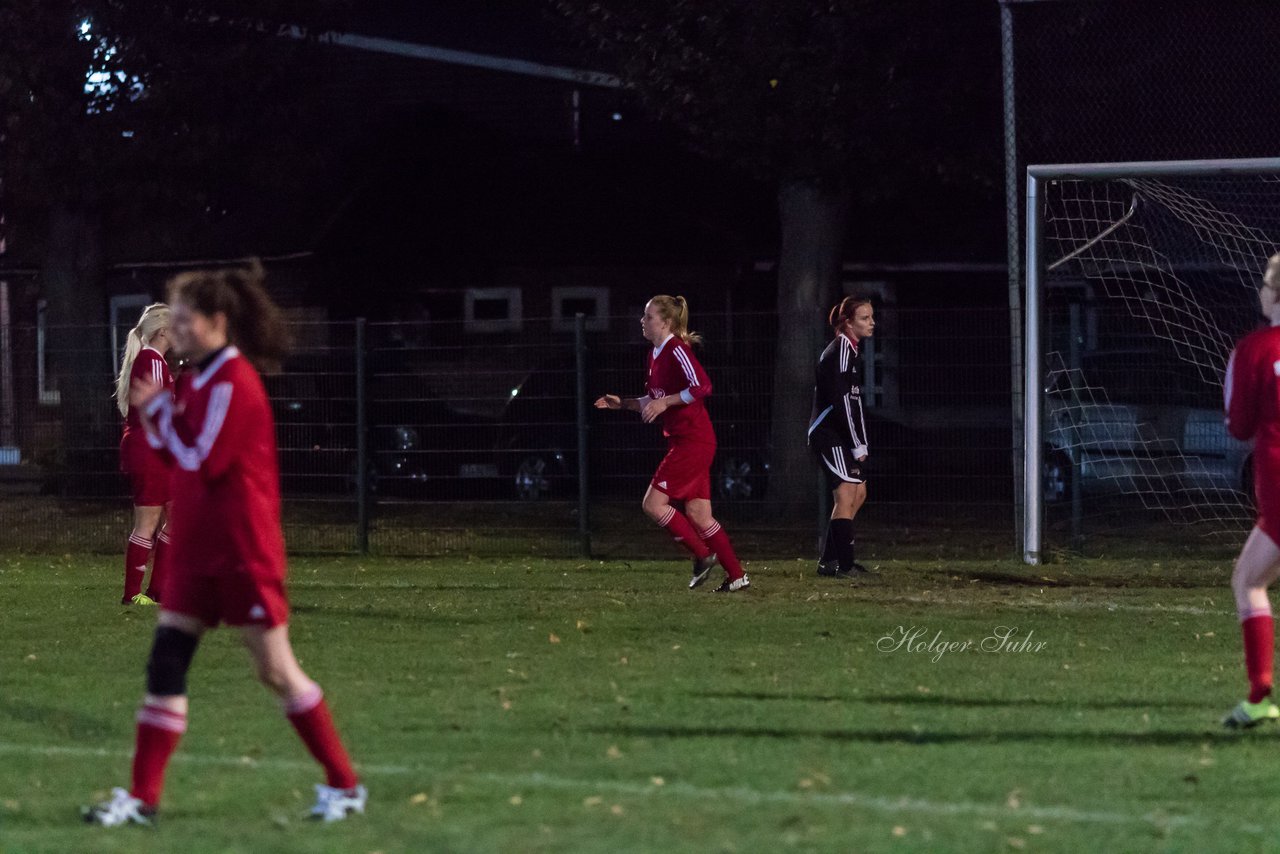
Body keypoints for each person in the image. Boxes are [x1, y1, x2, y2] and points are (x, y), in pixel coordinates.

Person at [84, 262, 366, 825]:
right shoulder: (197, 379)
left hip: (241, 552)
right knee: (166, 662)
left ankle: (345, 784)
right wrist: (158, 419)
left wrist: (158, 413)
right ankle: (143, 799)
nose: (178, 329)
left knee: (277, 671)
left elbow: (202, 461)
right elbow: (174, 455)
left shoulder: (235, 384)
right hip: (196, 551)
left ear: (217, 322)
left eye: (187, 320)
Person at [594, 295, 750, 592]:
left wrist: (666, 401)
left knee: (653, 504)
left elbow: (703, 387)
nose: (643, 321)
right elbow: (653, 400)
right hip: (686, 440)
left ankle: (703, 557)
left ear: (665, 322)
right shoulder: (654, 355)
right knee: (699, 515)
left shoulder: (677, 350)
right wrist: (622, 403)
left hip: (693, 440)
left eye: (649, 316)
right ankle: (737, 576)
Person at [1223, 253, 1280, 728]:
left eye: (1264, 284)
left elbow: (1239, 427)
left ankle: (1261, 693)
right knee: (1250, 578)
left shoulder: (1255, 349)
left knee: (1249, 581)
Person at [808, 296, 875, 579]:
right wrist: (856, 443)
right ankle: (845, 566)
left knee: (859, 492)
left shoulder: (851, 351)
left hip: (840, 432)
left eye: (871, 317)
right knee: (847, 492)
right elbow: (842, 403)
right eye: (865, 318)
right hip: (828, 433)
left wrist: (861, 440)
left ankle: (829, 561)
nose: (872, 323)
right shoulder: (841, 351)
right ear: (848, 322)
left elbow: (854, 404)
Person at [115, 303, 175, 606]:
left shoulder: (156, 362)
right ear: (163, 330)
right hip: (151, 449)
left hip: (154, 448)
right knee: (147, 522)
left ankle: (159, 589)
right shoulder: (152, 361)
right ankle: (133, 594)